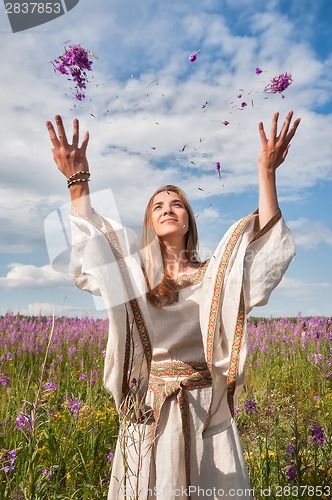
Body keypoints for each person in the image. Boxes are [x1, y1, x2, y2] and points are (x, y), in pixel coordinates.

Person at [46, 111, 300, 499]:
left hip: (203, 404)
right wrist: (77, 180)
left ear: (188, 220)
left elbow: (264, 256)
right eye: (158, 205)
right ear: (150, 221)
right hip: (150, 407)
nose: (168, 208)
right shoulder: (134, 278)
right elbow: (90, 251)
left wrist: (267, 172)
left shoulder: (215, 275)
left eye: (177, 204)